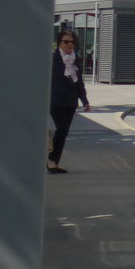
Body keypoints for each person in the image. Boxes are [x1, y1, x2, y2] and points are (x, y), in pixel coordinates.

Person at [49, 29, 90, 174]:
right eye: (66, 42)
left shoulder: (75, 59)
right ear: (59, 43)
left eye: (72, 42)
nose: (69, 44)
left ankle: (54, 162)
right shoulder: (53, 59)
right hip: (55, 100)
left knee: (64, 131)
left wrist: (84, 100)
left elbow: (78, 82)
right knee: (62, 128)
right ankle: (51, 160)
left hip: (71, 101)